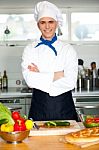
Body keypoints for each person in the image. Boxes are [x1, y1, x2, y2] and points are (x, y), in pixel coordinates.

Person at [21, 1, 78, 121]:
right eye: (43, 22)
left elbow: (71, 81)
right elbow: (30, 80)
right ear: (38, 25)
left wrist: (40, 76)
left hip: (64, 107)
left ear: (56, 23)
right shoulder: (30, 49)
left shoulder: (68, 49)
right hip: (39, 107)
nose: (47, 27)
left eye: (50, 22)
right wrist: (59, 74)